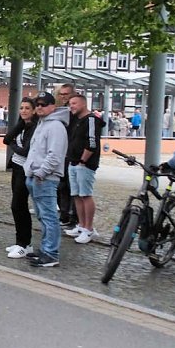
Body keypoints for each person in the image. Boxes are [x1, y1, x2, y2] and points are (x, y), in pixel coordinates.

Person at [23, 91, 69, 268]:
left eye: (43, 104)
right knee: (43, 215)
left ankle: (51, 253)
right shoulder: (43, 124)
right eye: (38, 104)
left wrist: (41, 173)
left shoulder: (56, 126)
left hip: (45, 178)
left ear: (52, 106)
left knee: (49, 216)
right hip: (36, 176)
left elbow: (55, 155)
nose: (39, 107)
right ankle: (46, 249)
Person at [63, 94, 104, 244]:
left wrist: (83, 160)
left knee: (86, 194)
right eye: (70, 103)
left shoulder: (91, 120)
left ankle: (89, 228)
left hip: (84, 164)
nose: (71, 106)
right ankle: (81, 225)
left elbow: (92, 142)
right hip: (73, 162)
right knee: (76, 195)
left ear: (83, 104)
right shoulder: (76, 120)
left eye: (74, 103)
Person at [3, 97, 38, 259]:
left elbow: (25, 151)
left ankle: (25, 244)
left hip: (26, 169)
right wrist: (19, 126)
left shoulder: (35, 127)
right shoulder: (22, 125)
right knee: (17, 206)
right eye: (22, 108)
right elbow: (6, 138)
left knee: (18, 204)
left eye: (27, 108)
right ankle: (20, 242)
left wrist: (13, 146)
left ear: (34, 110)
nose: (24, 111)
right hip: (17, 167)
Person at [54, 83, 78, 229]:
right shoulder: (60, 112)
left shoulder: (75, 113)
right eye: (61, 94)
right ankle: (64, 215)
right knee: (61, 186)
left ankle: (72, 217)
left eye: (66, 94)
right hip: (62, 153)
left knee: (71, 187)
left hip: (72, 155)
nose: (63, 97)